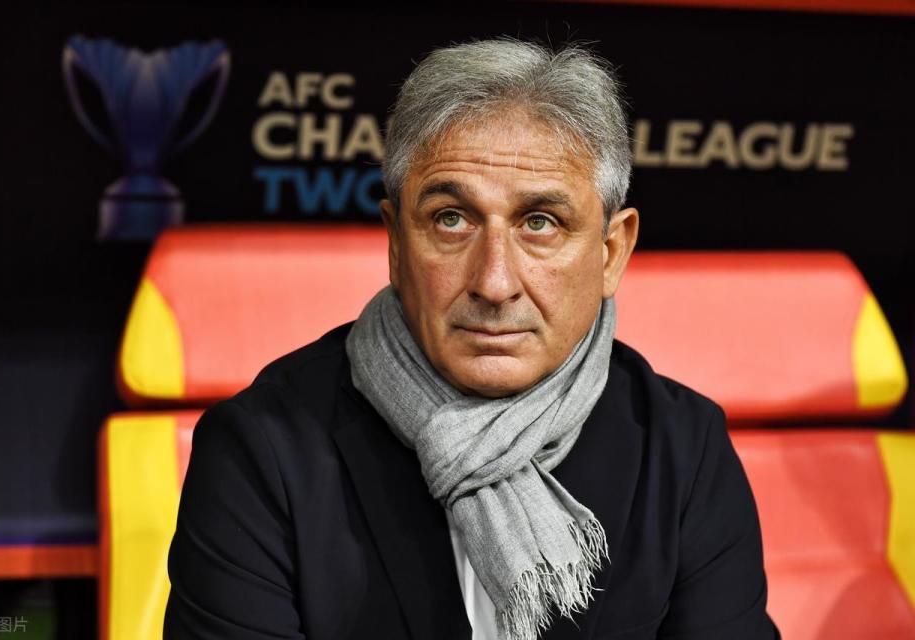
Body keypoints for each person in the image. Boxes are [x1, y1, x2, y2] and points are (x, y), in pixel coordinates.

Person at [163, 38, 779, 640]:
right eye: (451, 220)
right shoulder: (261, 450)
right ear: (396, 243)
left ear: (611, 252)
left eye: (540, 223)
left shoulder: (685, 449)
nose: (494, 282)